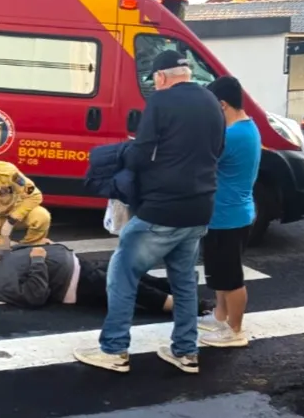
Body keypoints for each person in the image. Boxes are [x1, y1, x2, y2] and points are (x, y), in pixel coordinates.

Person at [73, 50, 225, 374]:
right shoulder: (212, 101)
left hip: (162, 209)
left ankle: (114, 350)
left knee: (122, 273)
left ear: (160, 77)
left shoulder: (160, 102)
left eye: (154, 81)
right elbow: (216, 151)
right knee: (183, 281)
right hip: (199, 208)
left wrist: (125, 156)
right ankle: (186, 352)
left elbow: (140, 156)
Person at [0, 243, 215, 314]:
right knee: (133, 288)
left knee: (132, 273)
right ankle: (188, 307)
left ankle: (183, 289)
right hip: (76, 283)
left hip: (79, 266)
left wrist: (43, 248)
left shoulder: (2, 259)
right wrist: (38, 259)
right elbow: (33, 296)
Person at [198, 76, 261, 348]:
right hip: (228, 213)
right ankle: (221, 317)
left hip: (229, 216)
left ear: (222, 105)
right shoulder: (248, 128)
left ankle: (235, 330)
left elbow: (202, 158)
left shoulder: (233, 135)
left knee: (231, 277)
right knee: (220, 274)